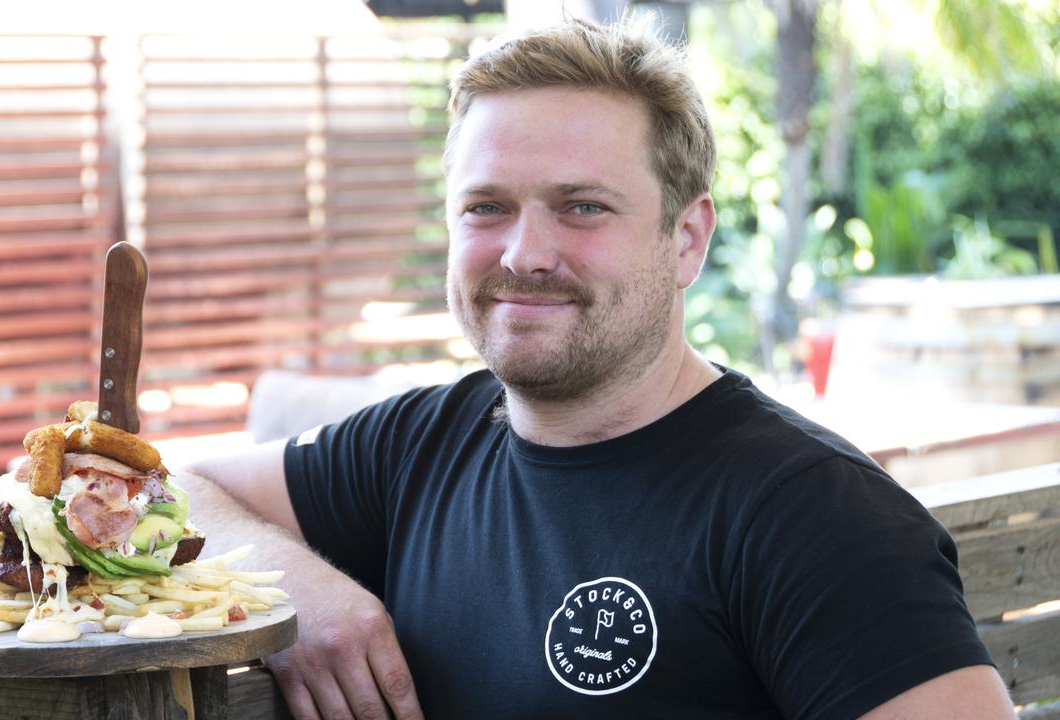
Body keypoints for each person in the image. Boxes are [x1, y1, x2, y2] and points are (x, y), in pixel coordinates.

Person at [180, 18, 1016, 720]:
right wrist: (300, 593)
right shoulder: (423, 443)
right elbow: (173, 491)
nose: (524, 253)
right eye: (487, 207)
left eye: (583, 207)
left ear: (687, 239)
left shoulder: (811, 514)